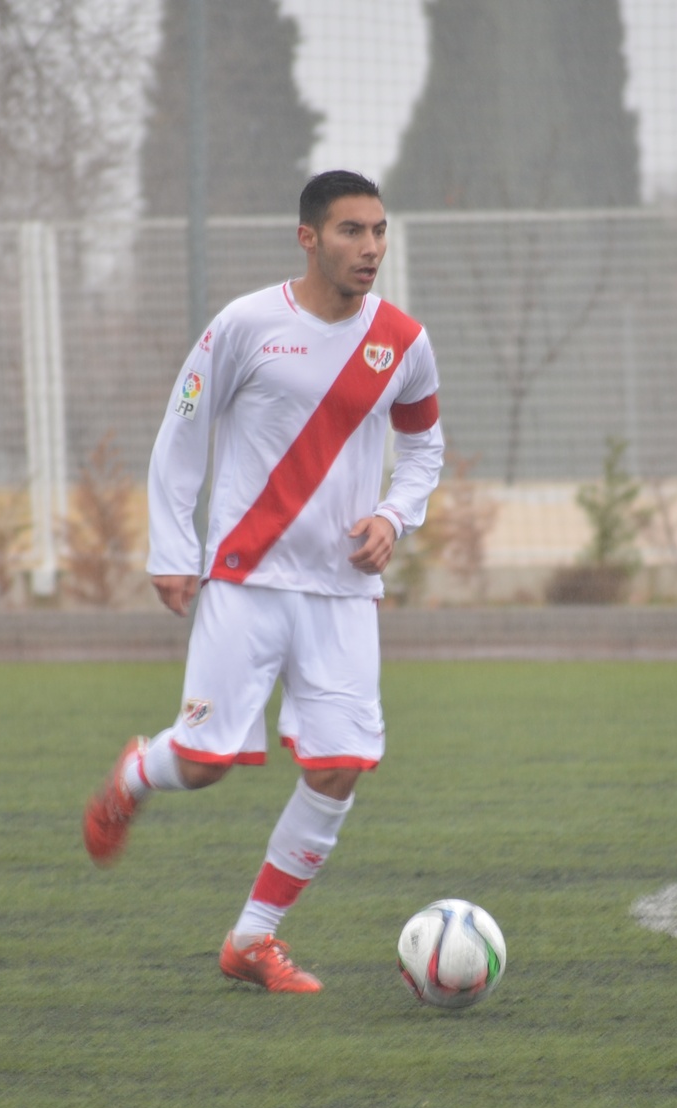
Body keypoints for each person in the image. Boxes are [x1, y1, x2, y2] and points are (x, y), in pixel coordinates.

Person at [82, 170, 444, 993]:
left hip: (343, 590)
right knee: (206, 763)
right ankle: (138, 772)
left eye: (380, 230)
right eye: (352, 231)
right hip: (246, 579)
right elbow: (182, 435)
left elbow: (424, 448)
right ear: (308, 238)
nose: (372, 248)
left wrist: (394, 515)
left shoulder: (403, 340)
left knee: (339, 767)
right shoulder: (245, 325)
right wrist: (172, 549)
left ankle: (252, 939)